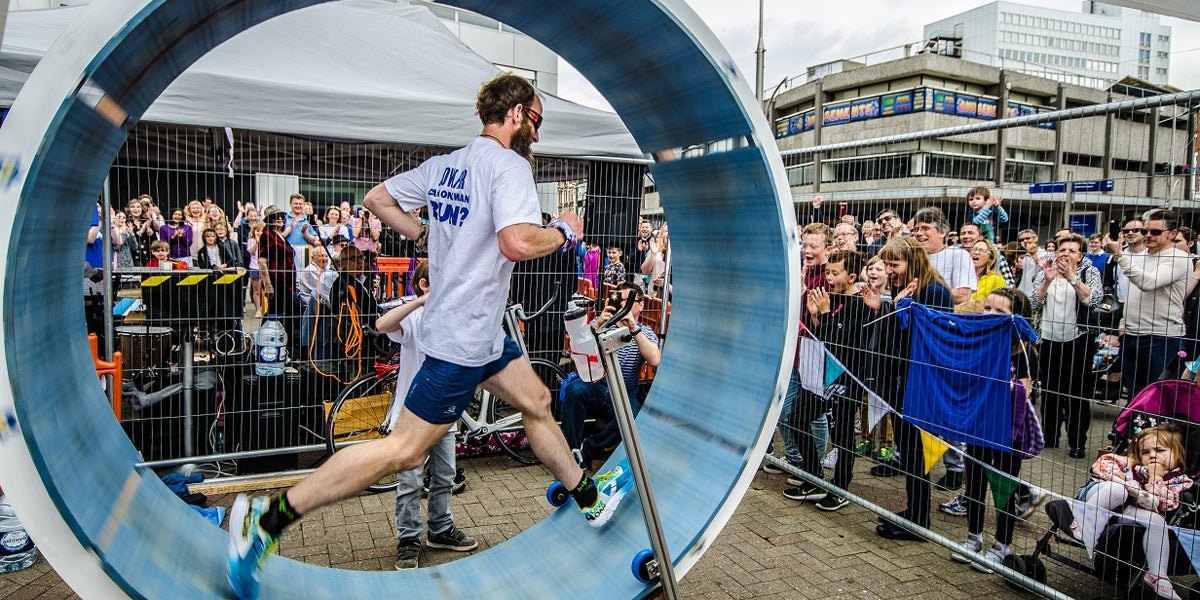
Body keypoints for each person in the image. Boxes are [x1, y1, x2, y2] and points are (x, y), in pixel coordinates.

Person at [228, 74, 620, 600]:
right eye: (538, 121)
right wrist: (566, 230)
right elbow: (516, 242)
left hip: (479, 332)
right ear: (518, 113)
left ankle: (586, 494)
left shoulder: (445, 166)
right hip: (462, 339)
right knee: (405, 451)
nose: (539, 135)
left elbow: (376, 199)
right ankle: (267, 519)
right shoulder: (510, 166)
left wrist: (424, 232)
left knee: (539, 400)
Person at [375, 257, 473, 567]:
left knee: (444, 475)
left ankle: (440, 528)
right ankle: (408, 538)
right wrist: (420, 302)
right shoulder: (414, 315)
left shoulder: (454, 315)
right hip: (412, 414)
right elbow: (382, 325)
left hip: (445, 411)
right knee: (410, 481)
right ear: (425, 285)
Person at [864, 236, 952, 541]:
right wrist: (885, 308)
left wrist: (901, 308)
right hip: (904, 380)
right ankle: (915, 512)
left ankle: (919, 519)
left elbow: (932, 339)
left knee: (917, 454)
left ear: (912, 261)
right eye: (886, 263)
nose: (889, 269)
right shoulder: (906, 288)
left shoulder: (934, 291)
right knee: (910, 453)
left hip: (921, 384)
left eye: (894, 264)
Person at [949, 288, 1037, 572]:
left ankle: (1002, 545)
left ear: (1017, 317)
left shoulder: (1022, 349)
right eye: (987, 308)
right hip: (978, 425)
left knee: (1003, 490)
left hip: (1008, 431)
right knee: (974, 484)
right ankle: (973, 537)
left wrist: (1003, 387)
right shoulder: (979, 343)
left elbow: (1026, 390)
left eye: (1000, 311)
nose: (991, 315)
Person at [1075, 426, 1192, 600]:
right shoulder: (1132, 465)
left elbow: (1166, 504)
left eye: (1159, 450)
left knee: (1157, 521)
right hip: (1099, 497)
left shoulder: (1179, 481)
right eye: (1145, 452)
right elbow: (1103, 462)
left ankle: (1157, 575)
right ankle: (1083, 521)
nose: (1152, 455)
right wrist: (1118, 477)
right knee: (1117, 490)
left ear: (1177, 454)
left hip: (1127, 512)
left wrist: (1155, 479)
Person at [559, 283, 660, 471]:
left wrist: (632, 327)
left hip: (624, 390)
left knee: (634, 415)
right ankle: (572, 452)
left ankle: (588, 450)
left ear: (641, 305)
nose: (623, 305)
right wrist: (598, 325)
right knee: (575, 391)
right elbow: (576, 351)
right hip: (597, 384)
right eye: (619, 300)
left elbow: (654, 359)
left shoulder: (645, 332)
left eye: (628, 301)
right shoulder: (601, 322)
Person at [803, 250, 867, 511]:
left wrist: (826, 314)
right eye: (827, 272)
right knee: (798, 417)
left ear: (851, 276)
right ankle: (813, 476)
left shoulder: (858, 303)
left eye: (835, 273)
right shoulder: (832, 298)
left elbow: (841, 345)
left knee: (842, 432)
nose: (828, 277)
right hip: (824, 374)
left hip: (846, 377)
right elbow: (824, 338)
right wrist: (816, 317)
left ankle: (841, 487)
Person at [1030, 233, 1102, 458]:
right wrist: (1047, 279)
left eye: (1072, 251)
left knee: (1076, 393)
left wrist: (1072, 277)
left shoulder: (1090, 272)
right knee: (1051, 390)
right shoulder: (1046, 270)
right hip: (1049, 339)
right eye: (1062, 250)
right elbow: (1034, 302)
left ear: (1080, 255)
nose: (1066, 255)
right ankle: (1050, 437)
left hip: (1077, 340)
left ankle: (1077, 441)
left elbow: (1092, 300)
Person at [1105, 209, 1189, 401]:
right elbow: (1130, 293)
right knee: (1135, 398)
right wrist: (1123, 325)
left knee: (1158, 400)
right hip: (1132, 335)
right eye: (1145, 231)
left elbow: (1148, 283)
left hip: (1162, 337)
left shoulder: (1178, 258)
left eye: (1155, 232)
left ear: (1172, 234)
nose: (1148, 236)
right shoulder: (1142, 257)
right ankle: (1136, 432)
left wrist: (1119, 255)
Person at [960, 223, 1015, 287]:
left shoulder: (997, 256)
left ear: (981, 236)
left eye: (970, 233)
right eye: (963, 233)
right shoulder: (955, 255)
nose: (966, 236)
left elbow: (1009, 284)